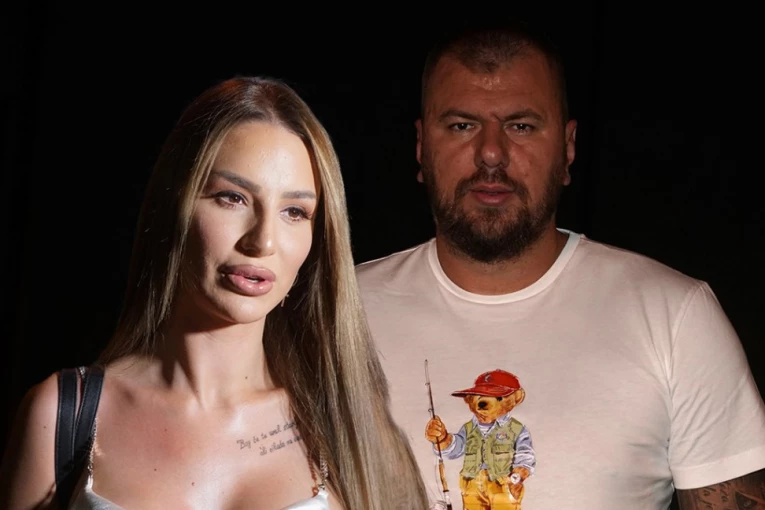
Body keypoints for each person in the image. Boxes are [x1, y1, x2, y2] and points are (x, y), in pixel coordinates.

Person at [355, 22, 765, 510]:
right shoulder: (338, 312)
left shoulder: (676, 318)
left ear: (568, 148)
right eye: (462, 125)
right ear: (422, 146)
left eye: (522, 126)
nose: (491, 153)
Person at [0, 76, 429, 510]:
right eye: (232, 198)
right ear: (175, 204)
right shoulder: (63, 417)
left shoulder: (350, 431)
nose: (263, 241)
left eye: (294, 212)